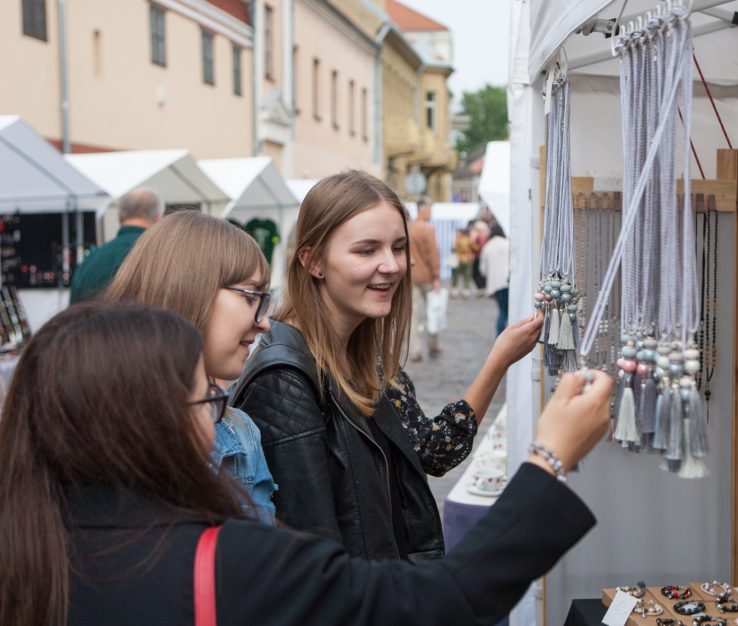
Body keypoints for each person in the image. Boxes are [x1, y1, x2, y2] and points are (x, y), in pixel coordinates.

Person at [0, 301, 611, 626]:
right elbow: (435, 601)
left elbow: (429, 448)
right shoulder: (225, 563)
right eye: (206, 397)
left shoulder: (25, 551)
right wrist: (547, 458)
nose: (216, 415)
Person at [232, 170, 545, 561]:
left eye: (398, 248)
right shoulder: (285, 379)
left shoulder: (366, 359)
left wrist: (498, 360)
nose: (392, 265)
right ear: (313, 262)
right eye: (367, 250)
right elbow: (315, 563)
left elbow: (432, 452)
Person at [104, 211, 277, 524]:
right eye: (252, 297)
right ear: (190, 288)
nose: (264, 322)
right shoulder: (83, 424)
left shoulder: (239, 432)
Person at [69, 187, 163, 304]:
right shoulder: (165, 259)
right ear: (159, 219)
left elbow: (72, 315)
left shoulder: (89, 262)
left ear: (120, 218)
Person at [408, 196, 441, 360]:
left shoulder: (409, 228)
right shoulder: (428, 229)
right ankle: (433, 345)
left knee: (414, 315)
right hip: (427, 277)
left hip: (412, 277)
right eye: (429, 210)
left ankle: (415, 350)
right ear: (424, 210)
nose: (431, 213)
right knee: (433, 312)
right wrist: (436, 276)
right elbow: (433, 254)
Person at [479, 223, 510, 336]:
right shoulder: (507, 244)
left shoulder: (487, 247)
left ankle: (501, 335)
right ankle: (503, 335)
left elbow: (483, 270)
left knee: (502, 310)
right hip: (508, 281)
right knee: (506, 311)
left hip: (495, 285)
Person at [451, 227, 476, 298]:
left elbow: (454, 249)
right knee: (467, 276)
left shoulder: (457, 240)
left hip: (458, 260)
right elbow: (475, 248)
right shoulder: (469, 240)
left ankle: (454, 291)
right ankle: (466, 291)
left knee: (455, 276)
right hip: (468, 260)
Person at [469, 219, 490, 296]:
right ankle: (482, 287)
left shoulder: (479, 237)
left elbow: (476, 247)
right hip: (480, 256)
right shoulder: (484, 237)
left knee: (477, 272)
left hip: (479, 256)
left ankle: (481, 287)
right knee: (480, 272)